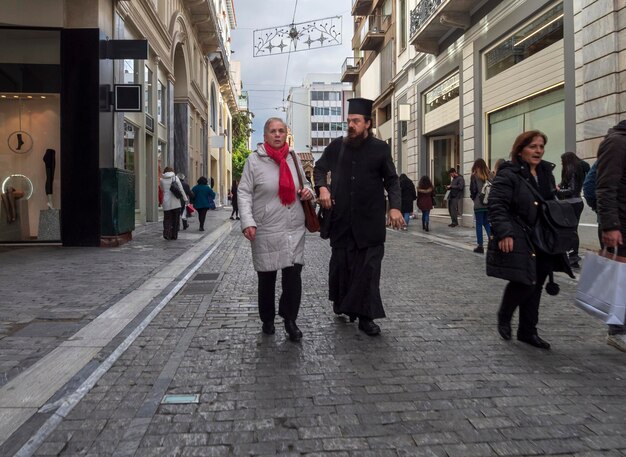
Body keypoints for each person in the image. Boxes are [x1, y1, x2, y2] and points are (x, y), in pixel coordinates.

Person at [314, 97, 404, 336]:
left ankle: (366, 318)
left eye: (356, 121)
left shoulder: (380, 149)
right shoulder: (337, 146)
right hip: (342, 222)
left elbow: (392, 181)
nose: (351, 125)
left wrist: (394, 207)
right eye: (349, 121)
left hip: (370, 223)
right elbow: (319, 168)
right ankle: (342, 302)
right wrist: (322, 187)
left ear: (368, 123)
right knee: (341, 268)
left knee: (368, 271)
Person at [488, 130, 573, 350]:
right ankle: (505, 315)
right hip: (520, 234)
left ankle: (528, 331)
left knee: (537, 284)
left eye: (541, 146)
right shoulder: (509, 174)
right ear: (520, 149)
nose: (538, 151)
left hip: (543, 237)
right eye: (533, 146)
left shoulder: (546, 172)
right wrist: (504, 232)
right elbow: (497, 205)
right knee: (525, 281)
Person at [238, 118, 314, 342]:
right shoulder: (254, 161)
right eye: (273, 131)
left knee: (293, 276)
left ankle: (290, 320)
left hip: (293, 226)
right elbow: (243, 192)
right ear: (265, 136)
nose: (278, 135)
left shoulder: (293, 158)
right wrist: (248, 221)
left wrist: (308, 191)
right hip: (266, 227)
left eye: (281, 131)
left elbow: (305, 184)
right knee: (267, 276)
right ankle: (267, 318)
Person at [595, 120, 626, 351]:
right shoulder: (616, 142)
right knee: (620, 279)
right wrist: (610, 226)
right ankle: (617, 330)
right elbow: (605, 187)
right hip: (621, 223)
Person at [556, 152, 586, 268]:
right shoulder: (576, 169)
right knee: (572, 230)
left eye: (562, 161)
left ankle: (573, 257)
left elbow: (571, 190)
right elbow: (567, 185)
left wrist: (558, 191)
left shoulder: (571, 169)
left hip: (571, 204)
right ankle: (572, 256)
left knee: (571, 231)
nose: (561, 163)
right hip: (575, 203)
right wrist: (559, 186)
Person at [469, 159, 492, 253]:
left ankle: (480, 246)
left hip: (479, 203)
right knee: (486, 223)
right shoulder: (490, 175)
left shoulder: (474, 176)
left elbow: (473, 190)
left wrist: (474, 198)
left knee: (479, 224)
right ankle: (492, 242)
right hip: (488, 203)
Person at [159, 166, 187, 240]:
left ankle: (166, 233)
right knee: (175, 219)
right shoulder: (175, 178)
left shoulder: (161, 179)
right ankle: (174, 235)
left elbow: (162, 189)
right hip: (175, 202)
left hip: (166, 201)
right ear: (172, 171)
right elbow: (181, 189)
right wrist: (185, 198)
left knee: (167, 219)